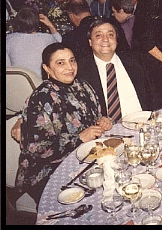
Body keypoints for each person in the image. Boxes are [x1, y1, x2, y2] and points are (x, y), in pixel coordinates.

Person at [15, 43, 112, 205]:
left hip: (84, 161)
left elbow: (97, 118)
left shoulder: (83, 86)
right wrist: (79, 138)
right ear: (47, 68)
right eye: (60, 63)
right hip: (46, 173)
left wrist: (104, 121)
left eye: (72, 61)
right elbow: (37, 150)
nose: (70, 67)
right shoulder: (41, 98)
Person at [76, 19, 151, 119]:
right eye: (98, 35)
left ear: (116, 40)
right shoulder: (81, 70)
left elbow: (153, 96)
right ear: (90, 42)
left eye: (110, 35)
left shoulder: (136, 61)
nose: (105, 39)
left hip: (143, 123)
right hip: (106, 131)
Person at [6, 7, 62, 78]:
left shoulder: (8, 39)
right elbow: (60, 43)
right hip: (40, 83)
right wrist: (50, 25)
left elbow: (7, 68)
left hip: (17, 84)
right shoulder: (46, 38)